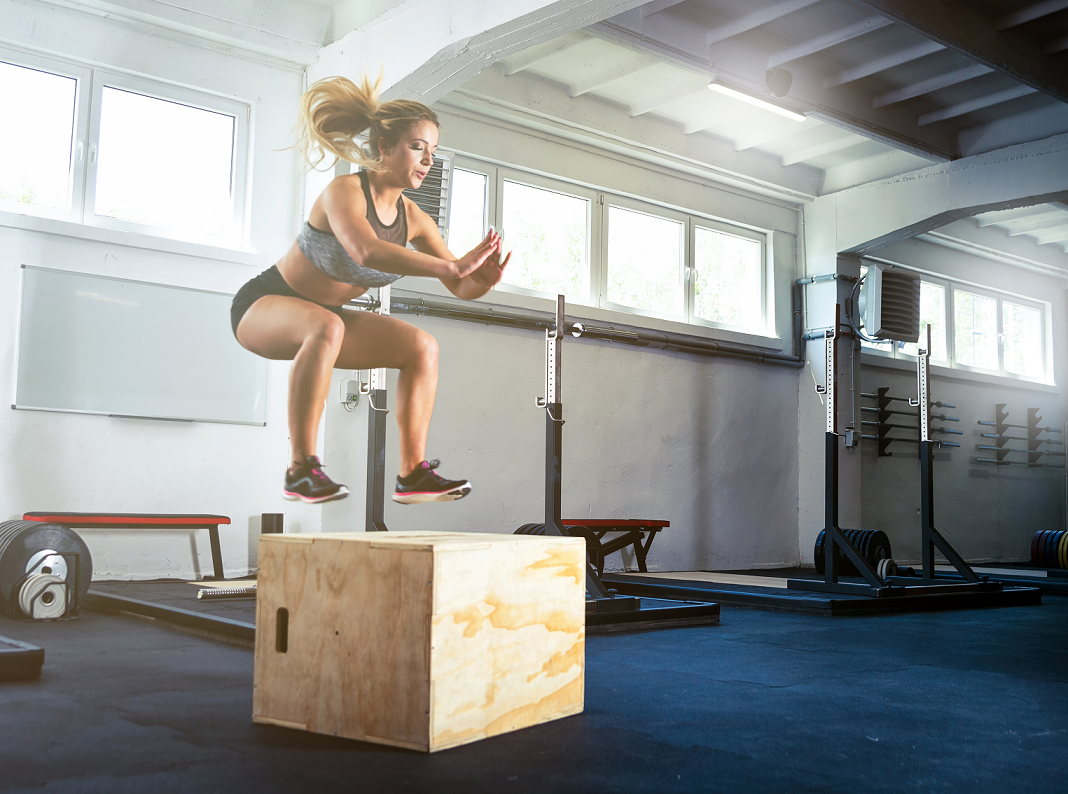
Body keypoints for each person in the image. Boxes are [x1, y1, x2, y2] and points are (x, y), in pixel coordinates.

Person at [231, 74, 510, 505]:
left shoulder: (414, 218)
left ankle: (412, 474)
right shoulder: (344, 192)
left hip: (328, 320)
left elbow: (459, 285)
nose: (428, 160)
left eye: (433, 151)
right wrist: (454, 265)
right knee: (325, 324)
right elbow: (365, 250)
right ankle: (301, 469)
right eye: (418, 146)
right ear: (384, 146)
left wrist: (482, 281)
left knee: (422, 346)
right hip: (264, 306)